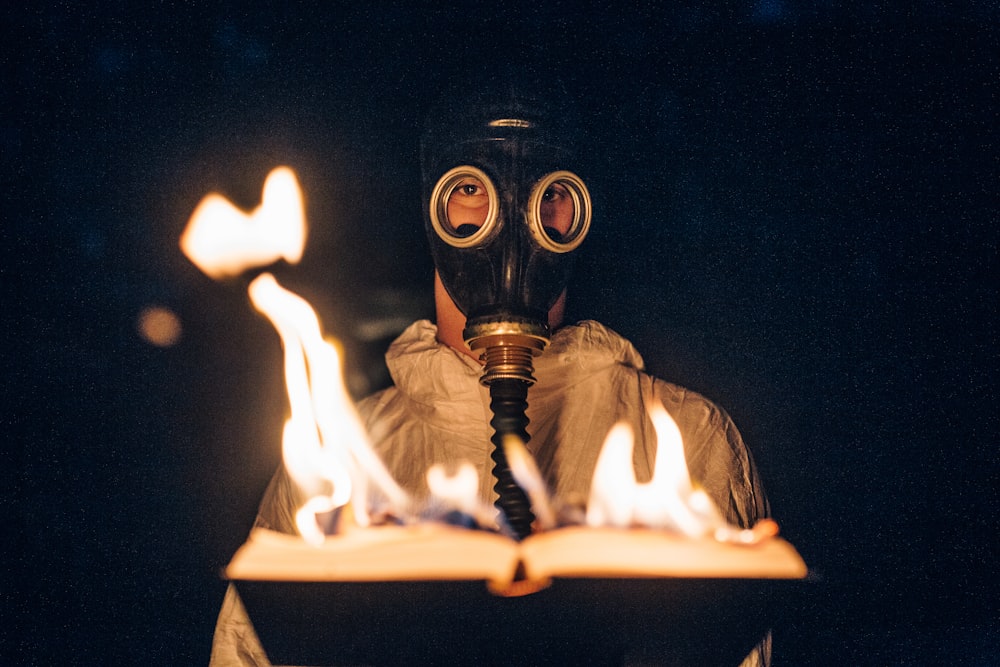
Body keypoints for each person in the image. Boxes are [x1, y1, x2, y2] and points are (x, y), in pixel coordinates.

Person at [210, 80, 771, 666]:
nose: (509, 225)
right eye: (471, 188)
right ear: (433, 210)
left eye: (549, 193)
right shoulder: (333, 462)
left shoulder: (683, 439)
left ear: (578, 212)